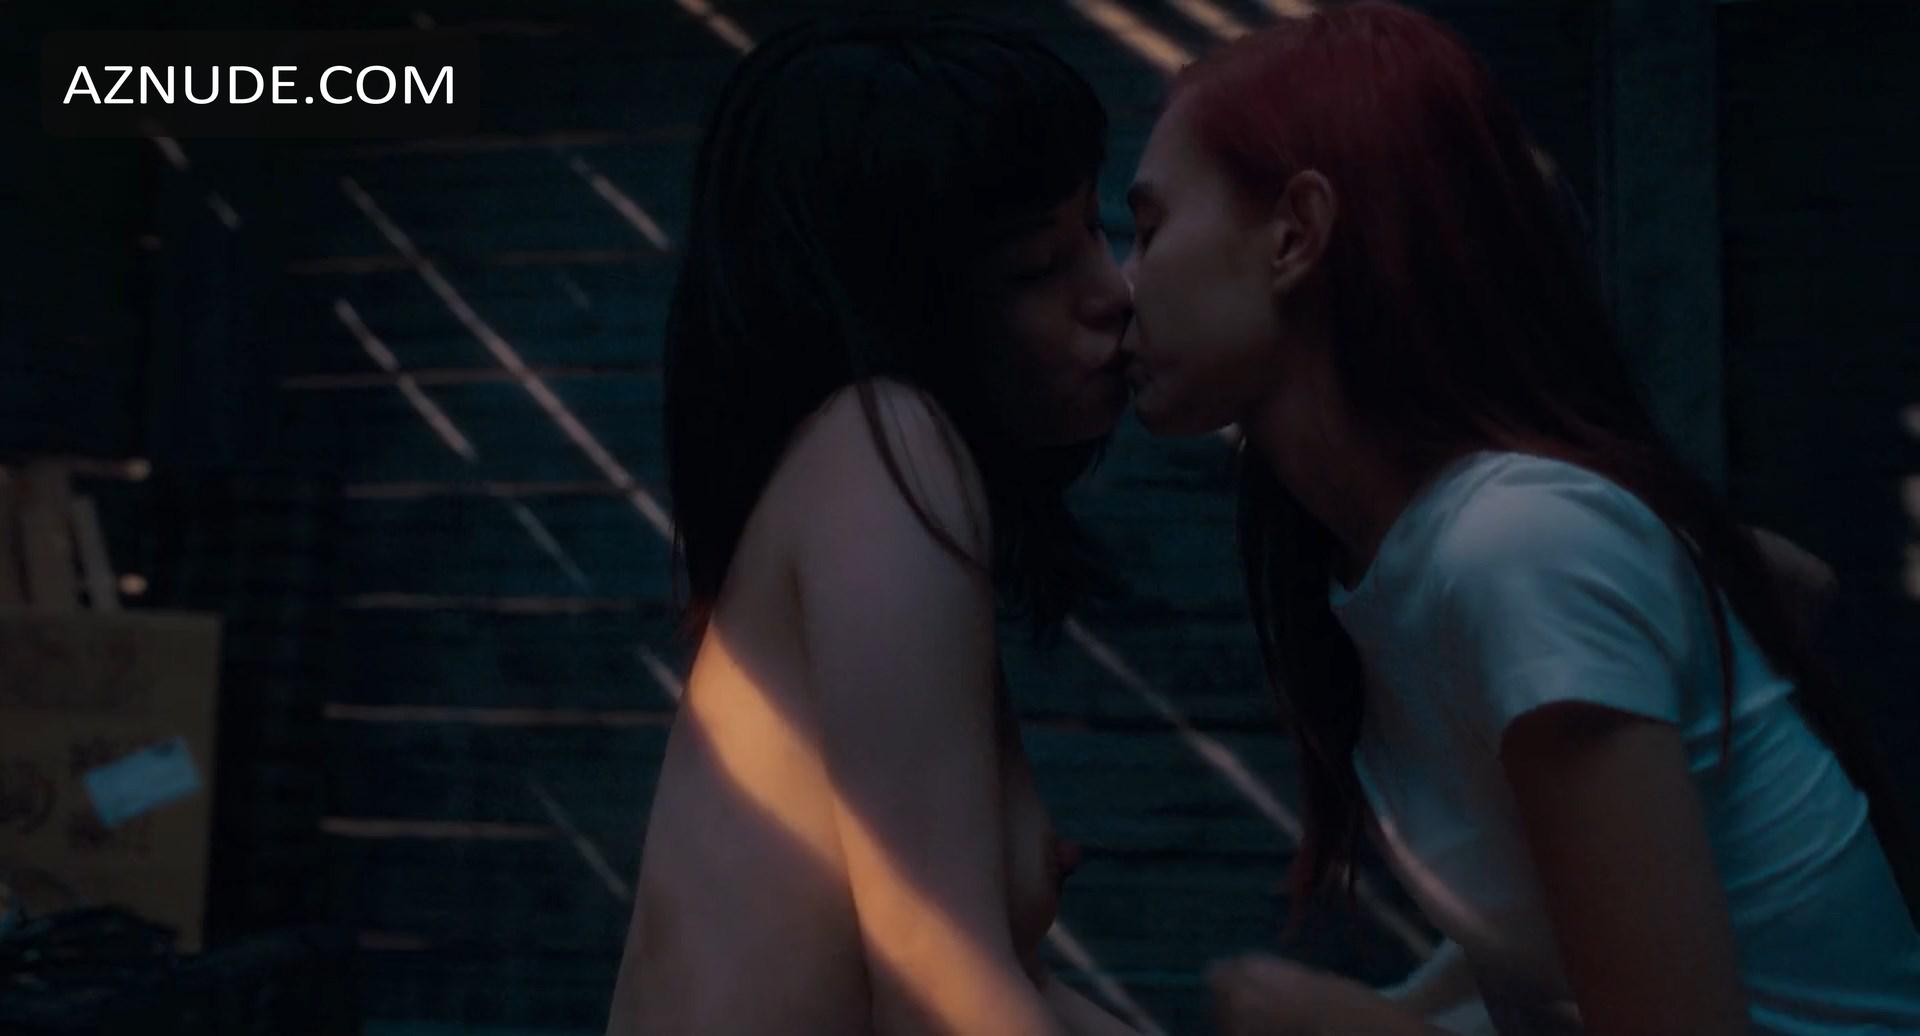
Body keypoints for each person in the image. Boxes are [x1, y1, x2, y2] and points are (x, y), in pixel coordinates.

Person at [1115, 3, 1920, 1033]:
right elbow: (1788, 582)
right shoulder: (1416, 555)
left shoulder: (1516, 549)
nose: (1123, 285)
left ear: (1295, 234)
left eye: (1149, 229)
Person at [605, 14, 1141, 1035]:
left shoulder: (871, 478)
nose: (1112, 293)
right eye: (1038, 267)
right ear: (905, 304)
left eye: (1096, 233)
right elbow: (941, 993)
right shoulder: (883, 449)